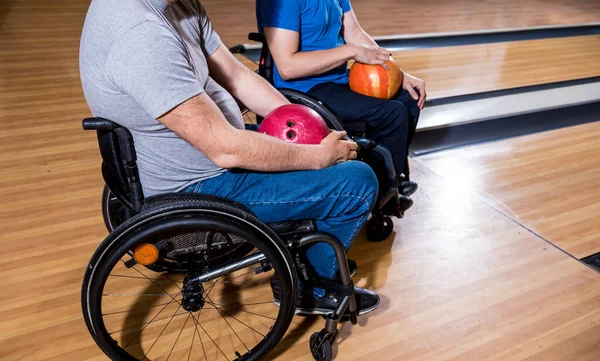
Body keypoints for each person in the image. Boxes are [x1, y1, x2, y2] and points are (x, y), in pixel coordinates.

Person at [79, 0, 380, 316]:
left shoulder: (177, 6)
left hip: (202, 151)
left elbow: (235, 75)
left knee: (324, 154)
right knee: (357, 182)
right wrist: (317, 157)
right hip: (199, 183)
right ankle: (312, 289)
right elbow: (226, 149)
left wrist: (301, 125)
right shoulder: (141, 37)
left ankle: (304, 251)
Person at [257, 0, 427, 213]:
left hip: (340, 79)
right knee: (392, 113)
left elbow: (355, 33)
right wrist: (351, 52)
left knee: (409, 97)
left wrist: (396, 73)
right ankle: (378, 196)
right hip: (306, 88)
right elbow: (288, 67)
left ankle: (389, 176)